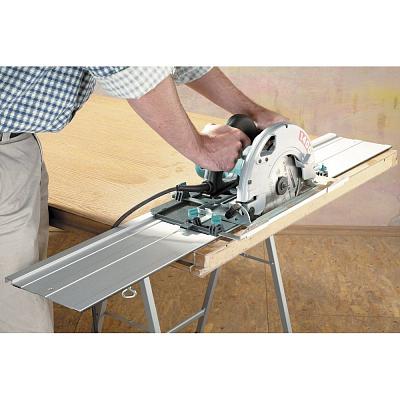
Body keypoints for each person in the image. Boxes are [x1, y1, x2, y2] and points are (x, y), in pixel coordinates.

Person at [0, 66, 287, 332]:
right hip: (7, 151)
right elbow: (135, 67)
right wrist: (202, 149)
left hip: (18, 143)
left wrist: (254, 112)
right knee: (21, 323)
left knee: (23, 284)